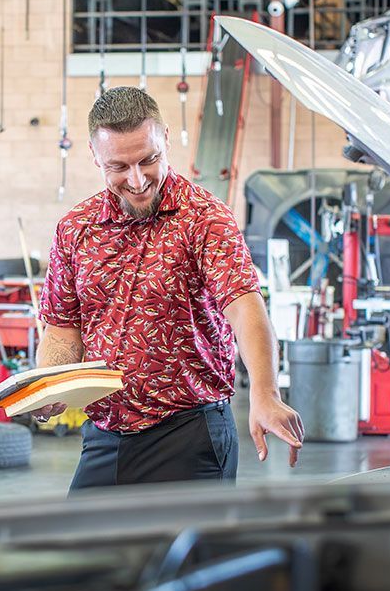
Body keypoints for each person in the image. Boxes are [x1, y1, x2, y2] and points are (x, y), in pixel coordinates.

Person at [35, 87, 304, 491]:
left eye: (149, 159)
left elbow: (245, 306)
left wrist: (265, 392)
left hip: (189, 435)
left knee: (185, 557)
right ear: (95, 157)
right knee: (83, 553)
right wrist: (51, 382)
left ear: (164, 136)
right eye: (119, 166)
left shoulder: (204, 218)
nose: (138, 179)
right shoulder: (76, 229)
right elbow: (61, 328)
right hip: (105, 436)